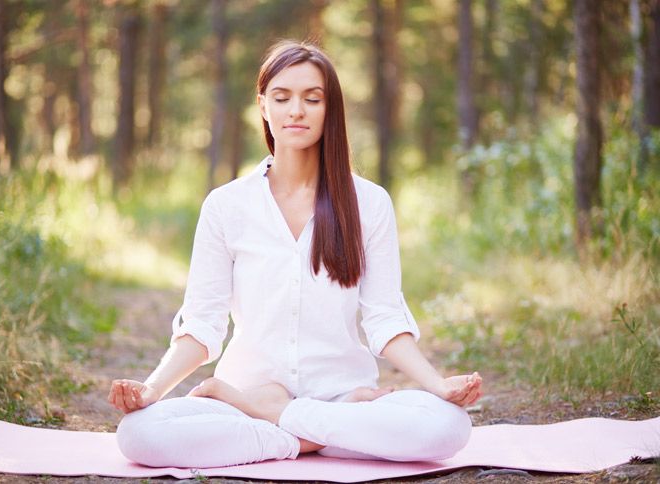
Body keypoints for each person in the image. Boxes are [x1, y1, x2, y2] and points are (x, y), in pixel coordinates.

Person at [107, 39, 483, 469]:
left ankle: (278, 422)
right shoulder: (226, 205)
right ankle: (315, 436)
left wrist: (437, 386)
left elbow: (385, 318)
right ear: (263, 106)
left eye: (312, 99)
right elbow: (202, 324)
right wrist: (152, 390)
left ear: (331, 109)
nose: (296, 111)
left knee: (447, 426)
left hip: (341, 394)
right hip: (245, 394)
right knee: (139, 434)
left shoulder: (370, 203)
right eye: (282, 98)